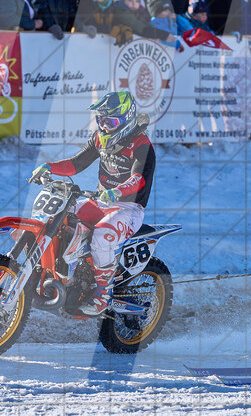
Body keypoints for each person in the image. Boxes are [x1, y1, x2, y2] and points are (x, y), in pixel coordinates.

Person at [30, 91, 156, 316]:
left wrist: (117, 191)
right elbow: (77, 163)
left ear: (127, 118)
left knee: (101, 236)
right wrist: (49, 167)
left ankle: (102, 296)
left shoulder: (141, 144)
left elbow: (139, 179)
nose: (104, 126)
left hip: (128, 208)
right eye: (100, 120)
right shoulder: (100, 138)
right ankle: (61, 275)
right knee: (59, 216)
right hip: (100, 201)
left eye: (110, 121)